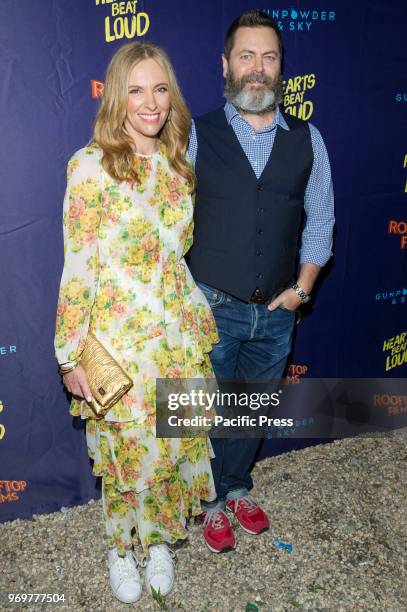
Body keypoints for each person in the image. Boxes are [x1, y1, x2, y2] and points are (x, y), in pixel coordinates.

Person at [54, 42, 219, 603]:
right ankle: (120, 548)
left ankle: (158, 544)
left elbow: (178, 253)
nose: (150, 103)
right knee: (126, 455)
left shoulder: (178, 163)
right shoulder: (90, 166)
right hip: (118, 343)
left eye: (161, 88)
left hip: (177, 335)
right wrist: (71, 351)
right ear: (116, 95)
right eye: (137, 90)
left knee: (173, 448)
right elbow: (79, 265)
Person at [187, 10, 335, 553]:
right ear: (225, 65)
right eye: (246, 56)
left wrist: (302, 289)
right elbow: (168, 222)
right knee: (202, 410)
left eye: (268, 57)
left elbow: (320, 218)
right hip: (211, 307)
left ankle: (236, 487)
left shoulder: (309, 139)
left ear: (281, 68)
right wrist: (189, 298)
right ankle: (207, 503)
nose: (257, 68)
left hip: (275, 312)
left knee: (249, 411)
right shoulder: (195, 134)